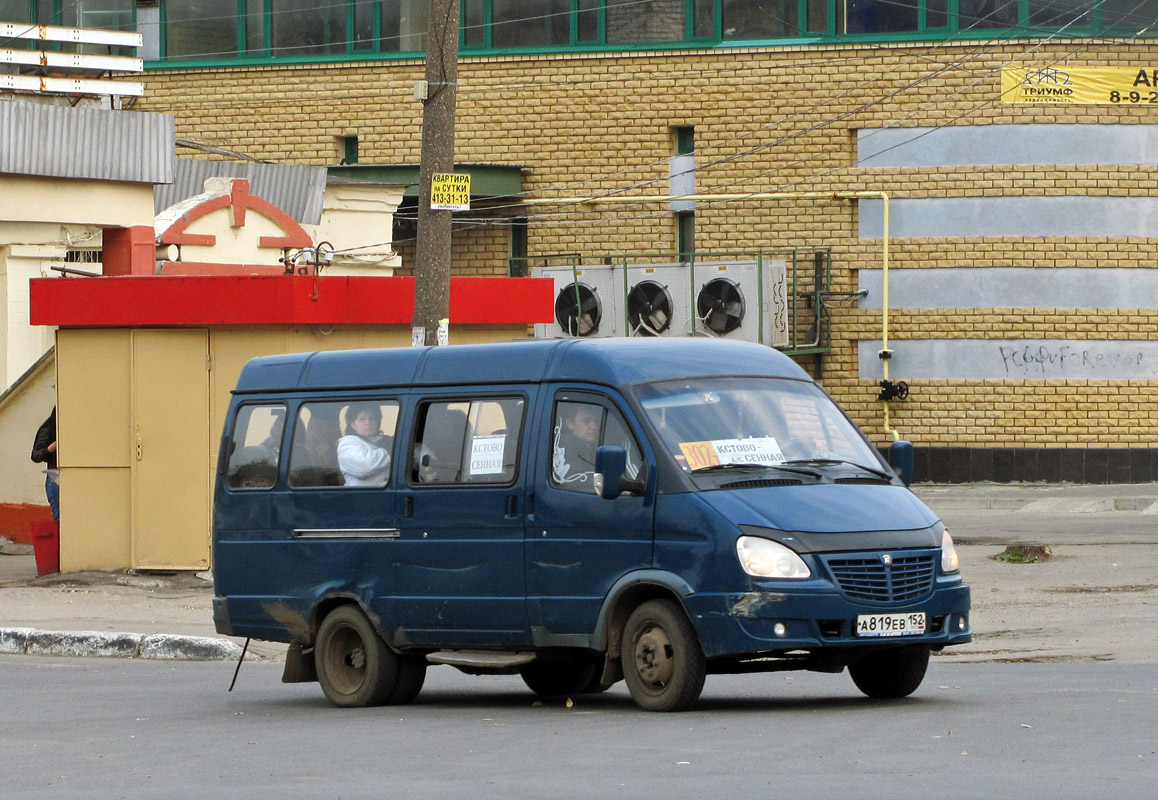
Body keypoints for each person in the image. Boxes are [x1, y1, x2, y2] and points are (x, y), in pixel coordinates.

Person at [337, 403, 392, 487]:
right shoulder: (347, 443)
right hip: (361, 497)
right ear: (352, 424)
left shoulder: (384, 440)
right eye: (362, 419)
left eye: (372, 418)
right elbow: (365, 466)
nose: (368, 422)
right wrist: (392, 451)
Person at [552, 403, 601, 487]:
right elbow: (579, 481)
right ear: (570, 423)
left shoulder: (593, 447)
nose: (594, 427)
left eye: (595, 421)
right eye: (586, 421)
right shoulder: (566, 448)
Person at [30, 407, 59, 520]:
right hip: (54, 475)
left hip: (70, 474)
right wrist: (48, 450)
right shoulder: (47, 429)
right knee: (59, 515)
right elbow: (35, 456)